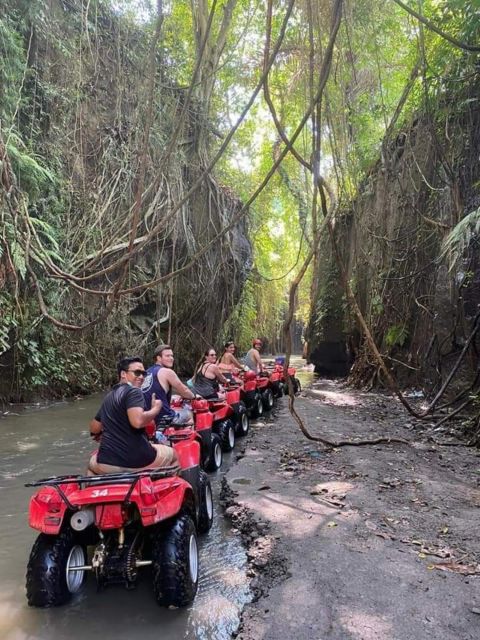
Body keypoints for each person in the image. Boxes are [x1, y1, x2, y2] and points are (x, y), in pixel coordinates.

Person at [88, 357, 178, 475]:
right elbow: (138, 422)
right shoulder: (134, 392)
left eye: (143, 373)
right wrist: (155, 409)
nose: (141, 376)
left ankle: (94, 490)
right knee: (173, 455)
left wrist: (102, 434)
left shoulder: (109, 397)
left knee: (91, 465)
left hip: (107, 462)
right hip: (136, 461)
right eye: (137, 372)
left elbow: (94, 429)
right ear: (123, 374)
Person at [142, 344, 195, 426]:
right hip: (163, 418)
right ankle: (190, 436)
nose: (171, 358)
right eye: (167, 356)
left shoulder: (147, 372)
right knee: (189, 413)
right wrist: (194, 396)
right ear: (159, 358)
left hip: (147, 417)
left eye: (172, 356)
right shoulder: (167, 372)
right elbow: (184, 391)